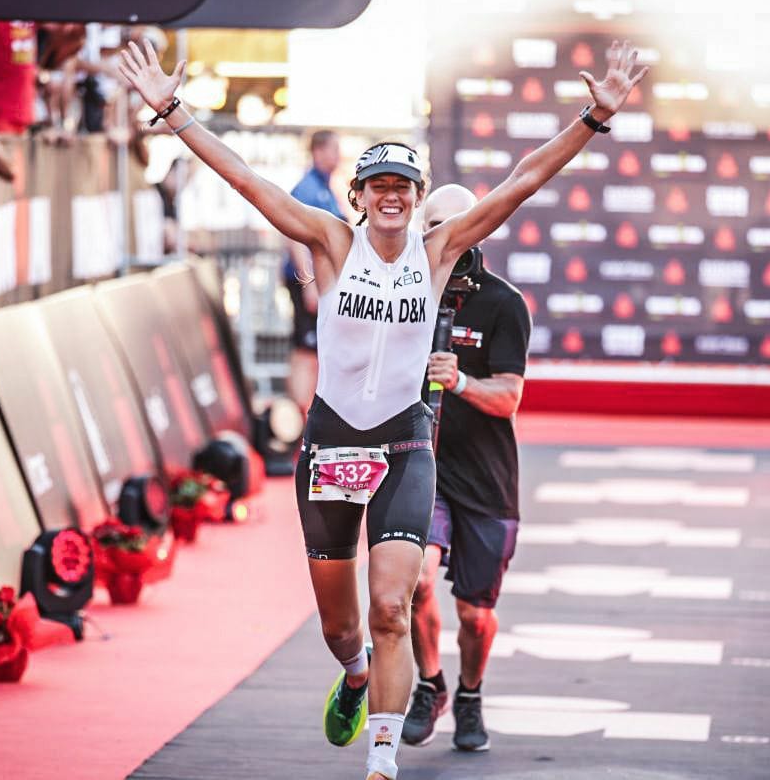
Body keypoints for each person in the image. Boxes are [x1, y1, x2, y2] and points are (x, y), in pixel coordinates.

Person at [118, 38, 648, 780]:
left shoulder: (439, 250)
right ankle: (358, 674)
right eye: (379, 185)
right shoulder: (331, 243)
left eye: (405, 184)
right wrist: (172, 112)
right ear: (359, 196)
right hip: (331, 447)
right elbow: (245, 180)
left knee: (392, 605)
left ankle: (383, 758)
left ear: (418, 192)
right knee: (343, 628)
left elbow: (522, 181)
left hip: (406, 446)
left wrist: (593, 117)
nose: (392, 195)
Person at [403, 184, 530, 752]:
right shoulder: (405, 290)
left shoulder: (504, 304)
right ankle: (430, 685)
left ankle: (470, 693)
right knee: (416, 581)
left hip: (486, 478)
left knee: (475, 617)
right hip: (421, 470)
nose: (447, 236)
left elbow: (508, 398)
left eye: (460, 224)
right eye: (433, 224)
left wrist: (459, 381)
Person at [285, 129, 343, 410]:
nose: (338, 155)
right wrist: (308, 283)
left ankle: (308, 412)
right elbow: (293, 235)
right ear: (318, 152)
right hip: (307, 283)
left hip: (322, 283)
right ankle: (298, 418)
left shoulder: (326, 187)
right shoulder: (307, 188)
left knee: (318, 351)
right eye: (334, 149)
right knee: (306, 350)